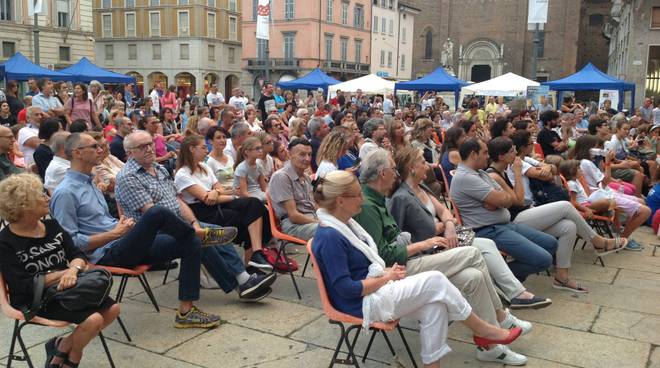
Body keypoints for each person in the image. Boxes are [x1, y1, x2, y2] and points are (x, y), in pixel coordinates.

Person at [312, 170, 524, 368]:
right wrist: (386, 278)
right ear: (340, 201)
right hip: (361, 303)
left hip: (376, 289)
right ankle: (484, 330)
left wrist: (386, 274)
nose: (362, 199)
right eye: (357, 195)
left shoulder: (345, 224)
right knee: (436, 280)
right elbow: (346, 289)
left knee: (436, 306)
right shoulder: (330, 236)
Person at [50, 133, 232, 328]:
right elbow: (70, 243)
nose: (101, 150)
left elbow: (102, 221)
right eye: (94, 147)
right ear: (77, 153)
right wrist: (114, 233)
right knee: (156, 213)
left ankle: (187, 311)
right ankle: (198, 233)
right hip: (106, 254)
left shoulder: (90, 182)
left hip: (124, 242)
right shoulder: (65, 192)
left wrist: (120, 226)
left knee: (191, 243)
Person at [116, 130, 274, 300]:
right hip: (150, 235)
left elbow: (178, 201)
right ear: (129, 152)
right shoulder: (128, 177)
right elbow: (154, 215)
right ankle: (241, 282)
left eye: (150, 143)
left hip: (179, 223)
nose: (149, 148)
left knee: (214, 230)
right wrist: (190, 228)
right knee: (199, 238)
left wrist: (193, 222)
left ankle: (244, 279)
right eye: (142, 146)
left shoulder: (158, 168)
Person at [390, 147, 550, 309]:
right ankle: (513, 294)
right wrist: (438, 227)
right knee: (484, 249)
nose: (428, 166)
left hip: (446, 237)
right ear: (412, 168)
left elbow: (444, 210)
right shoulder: (401, 198)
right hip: (430, 248)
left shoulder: (420, 187)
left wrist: (449, 224)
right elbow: (399, 235)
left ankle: (513, 293)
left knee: (487, 245)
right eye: (423, 162)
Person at [0, 173, 120, 368]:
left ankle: (61, 346)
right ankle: (73, 358)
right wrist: (61, 274)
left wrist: (73, 270)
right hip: (36, 298)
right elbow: (22, 285)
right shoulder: (5, 242)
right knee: (94, 319)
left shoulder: (52, 225)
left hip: (69, 287)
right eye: (40, 195)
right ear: (24, 205)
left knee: (113, 308)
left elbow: (78, 254)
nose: (48, 197)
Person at [488, 137, 627, 292]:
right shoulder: (495, 175)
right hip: (515, 220)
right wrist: (518, 173)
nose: (516, 153)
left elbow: (551, 169)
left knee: (568, 227)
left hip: (527, 213)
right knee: (565, 206)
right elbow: (519, 201)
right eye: (512, 151)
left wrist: (534, 169)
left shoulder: (507, 168)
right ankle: (599, 242)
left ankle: (562, 277)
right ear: (501, 156)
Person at [450, 138, 558, 282]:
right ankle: (498, 278)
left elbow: (510, 200)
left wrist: (496, 201)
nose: (488, 156)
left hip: (504, 225)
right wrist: (499, 200)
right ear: (473, 155)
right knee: (543, 260)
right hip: (489, 230)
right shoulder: (466, 177)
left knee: (551, 244)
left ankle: (504, 277)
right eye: (485, 152)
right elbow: (505, 200)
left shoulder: (480, 173)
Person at [175, 134, 274, 271]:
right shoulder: (182, 174)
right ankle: (251, 266)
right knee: (251, 217)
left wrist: (216, 192)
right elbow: (207, 199)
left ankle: (256, 254)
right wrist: (231, 196)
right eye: (203, 147)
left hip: (219, 204)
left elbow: (219, 190)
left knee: (255, 205)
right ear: (192, 149)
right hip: (202, 212)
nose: (206, 150)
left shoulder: (204, 166)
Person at [560, 159, 649, 251]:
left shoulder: (577, 181)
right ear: (572, 172)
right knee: (608, 202)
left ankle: (616, 224)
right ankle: (616, 224)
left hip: (588, 202)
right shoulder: (572, 184)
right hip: (585, 206)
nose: (581, 169)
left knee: (613, 203)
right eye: (578, 168)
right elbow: (573, 202)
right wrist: (586, 209)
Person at [268, 138, 318, 241]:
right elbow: (293, 216)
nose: (308, 159)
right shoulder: (282, 177)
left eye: (309, 154)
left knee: (344, 221)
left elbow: (314, 205)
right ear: (290, 154)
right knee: (330, 230)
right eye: (302, 154)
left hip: (311, 218)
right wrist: (320, 222)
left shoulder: (306, 177)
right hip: (294, 225)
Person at [233, 136, 267, 202]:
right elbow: (244, 193)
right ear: (247, 152)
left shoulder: (259, 165)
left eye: (261, 148)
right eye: (257, 148)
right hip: (247, 198)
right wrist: (259, 201)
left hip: (258, 193)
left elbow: (264, 188)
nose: (260, 151)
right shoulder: (241, 168)